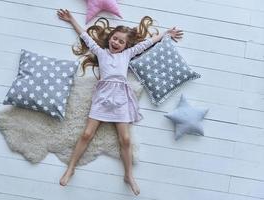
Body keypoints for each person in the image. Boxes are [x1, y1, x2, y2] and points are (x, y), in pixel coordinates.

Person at [57, 9, 183, 196]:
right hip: (102, 97)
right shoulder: (100, 52)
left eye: (121, 41)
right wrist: (71, 19)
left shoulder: (128, 54)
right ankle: (71, 167)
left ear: (126, 46)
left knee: (125, 139)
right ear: (110, 39)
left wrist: (166, 33)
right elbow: (85, 35)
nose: (116, 43)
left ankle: (129, 175)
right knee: (86, 134)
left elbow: (149, 42)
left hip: (121, 98)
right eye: (115, 39)